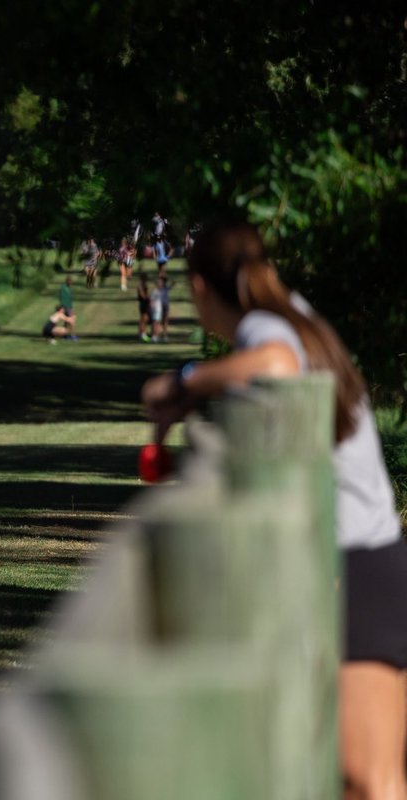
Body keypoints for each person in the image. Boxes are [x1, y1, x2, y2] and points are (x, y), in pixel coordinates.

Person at [141, 219, 407, 800]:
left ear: (200, 287)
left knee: (368, 780)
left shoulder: (266, 327)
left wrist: (186, 380)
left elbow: (278, 368)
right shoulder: (294, 313)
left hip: (354, 560)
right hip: (372, 555)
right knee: (372, 778)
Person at [136, 274, 152, 342]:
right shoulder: (140, 285)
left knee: (145, 319)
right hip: (143, 303)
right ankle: (142, 334)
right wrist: (148, 297)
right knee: (144, 319)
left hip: (145, 303)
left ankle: (142, 334)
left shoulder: (144, 285)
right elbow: (142, 295)